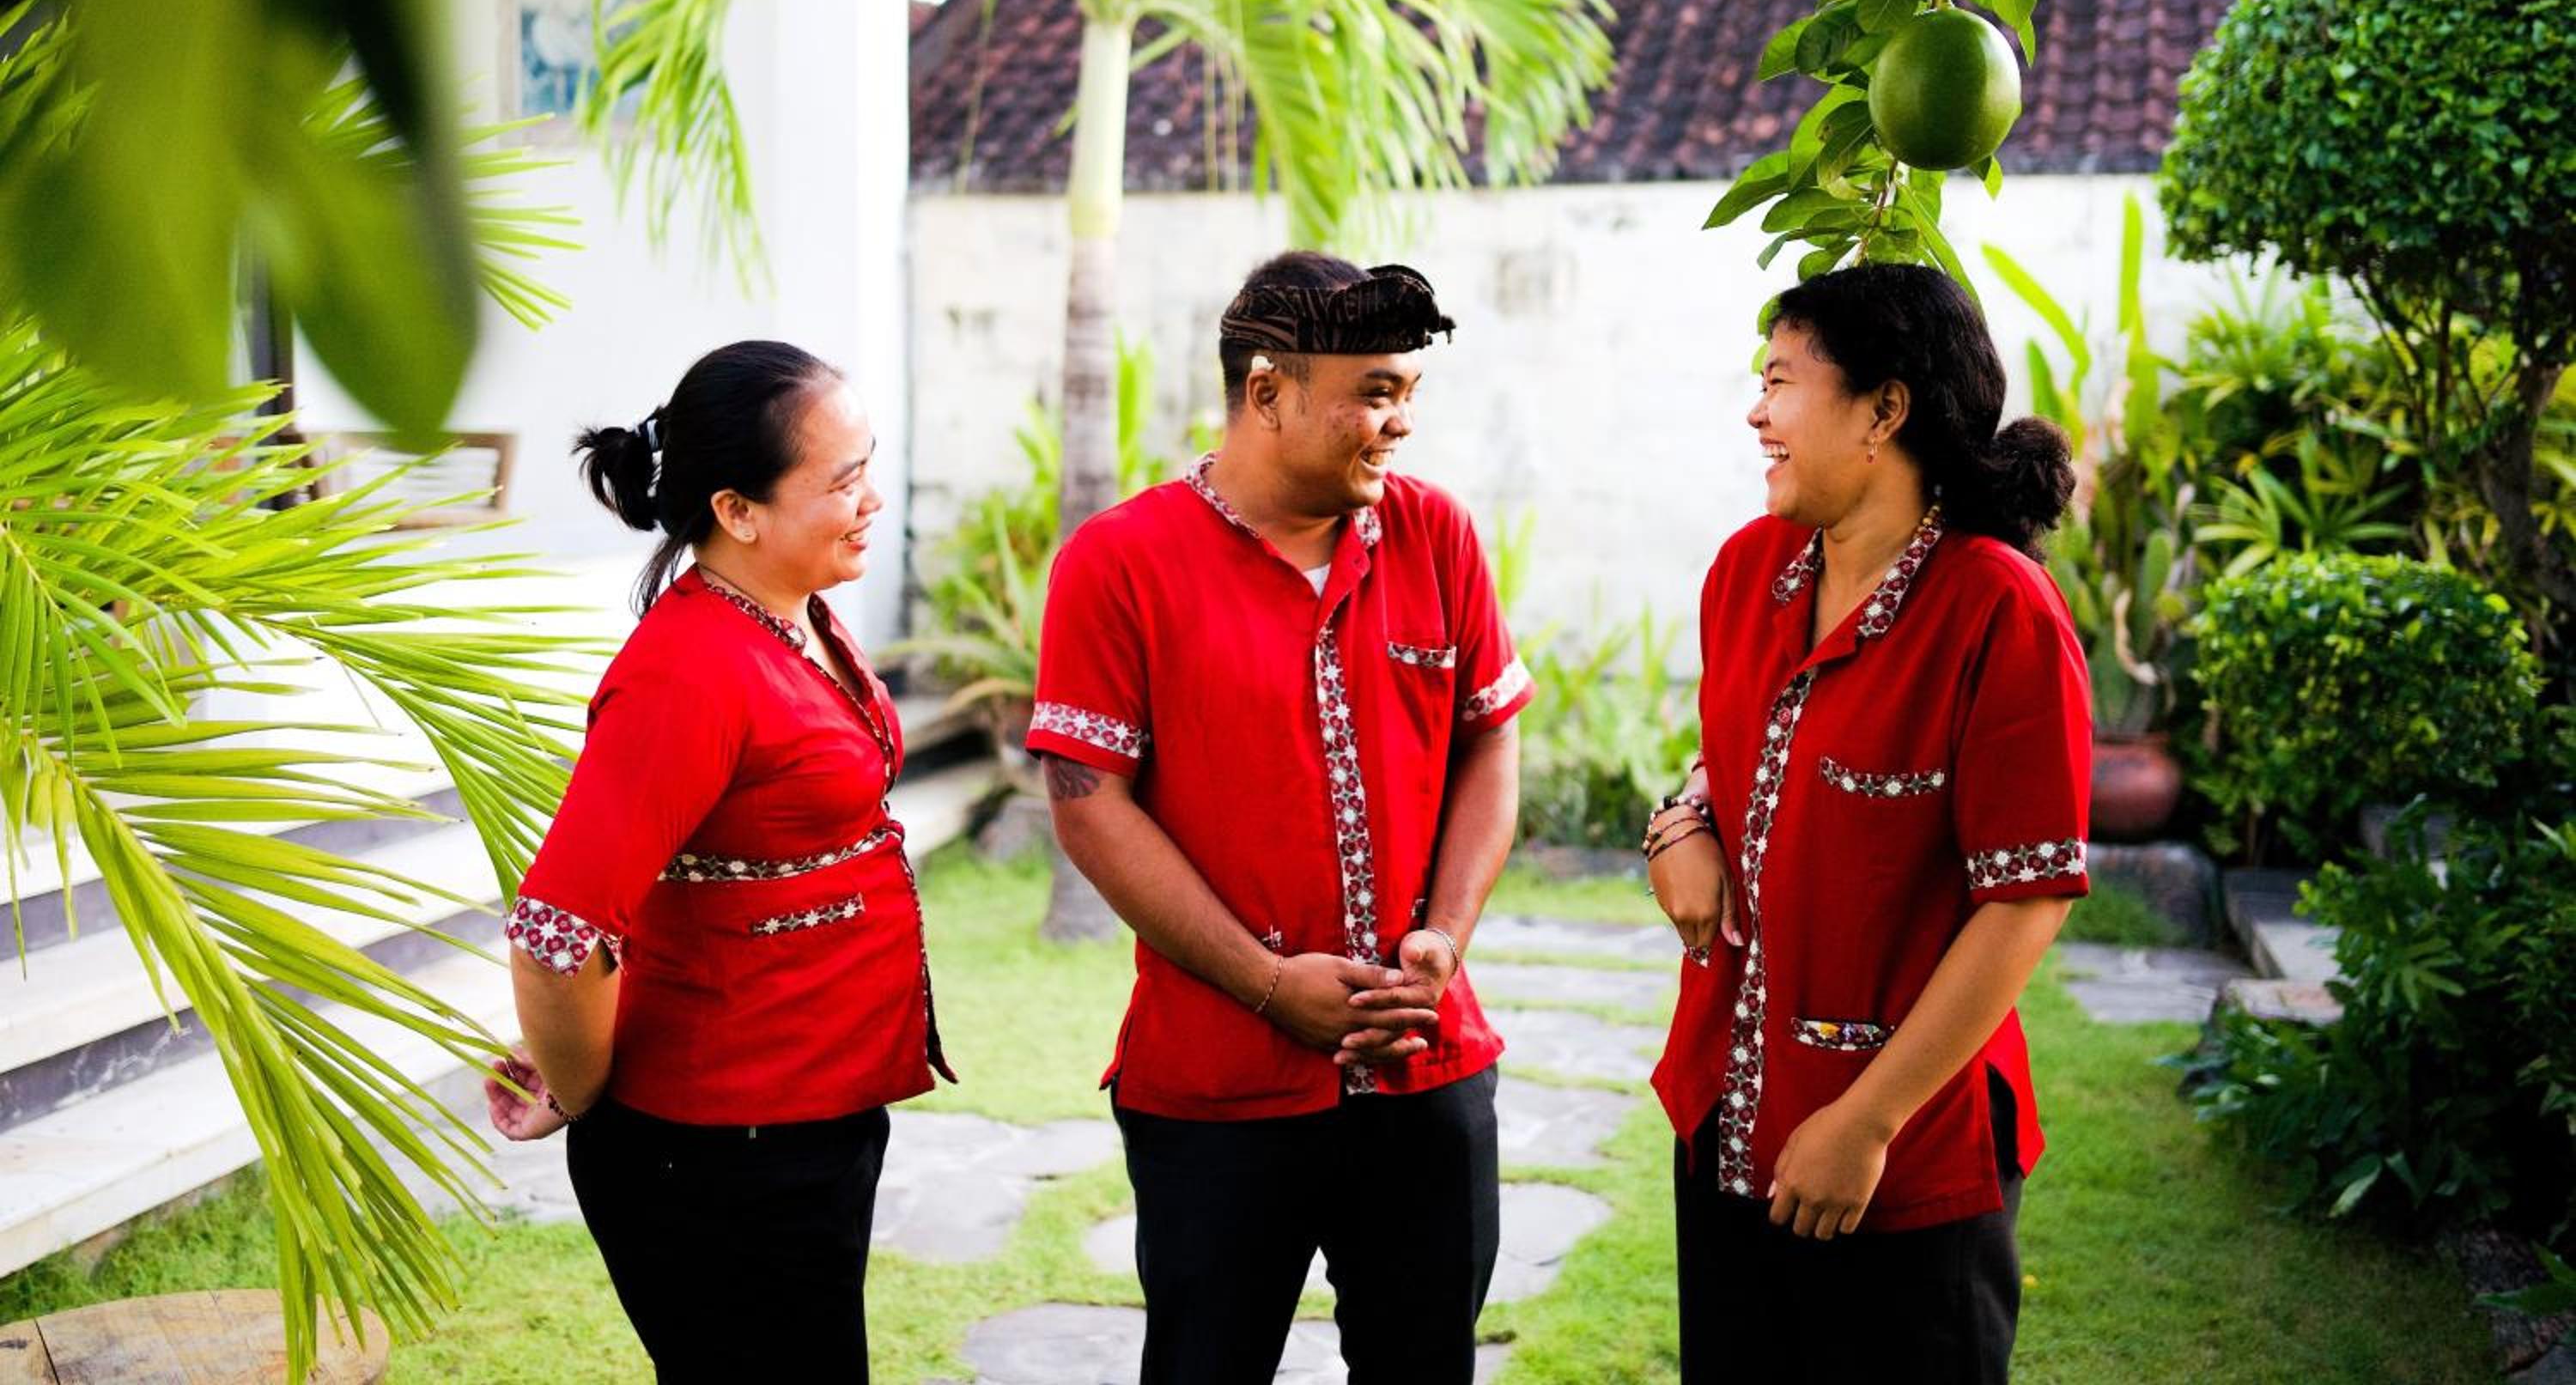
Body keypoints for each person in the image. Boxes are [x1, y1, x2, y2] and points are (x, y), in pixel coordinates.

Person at [1030, 252, 1529, 1385]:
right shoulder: (1121, 561)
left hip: (1425, 1064)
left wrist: (1444, 940)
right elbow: (1090, 803)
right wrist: (1267, 984)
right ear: (1266, 391)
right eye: (1375, 392)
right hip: (1218, 1090)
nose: (1401, 422)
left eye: (1409, 391)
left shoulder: (1435, 534)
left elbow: (1490, 739)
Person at [1648, 264, 2089, 1385]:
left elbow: (2027, 898)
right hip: (1726, 1116)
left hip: (1906, 1159)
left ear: (1884, 409)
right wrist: (1682, 821)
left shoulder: (1999, 609)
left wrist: (1868, 1120)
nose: (1757, 413)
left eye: (1781, 381)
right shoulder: (1747, 571)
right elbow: (1740, 753)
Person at [483, 339, 951, 1382]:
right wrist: (580, 1081)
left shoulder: (795, 615)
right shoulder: (688, 671)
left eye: (869, 465)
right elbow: (557, 931)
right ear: (737, 510)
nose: (872, 499)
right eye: (843, 480)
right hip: (719, 1154)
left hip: (806, 1117)